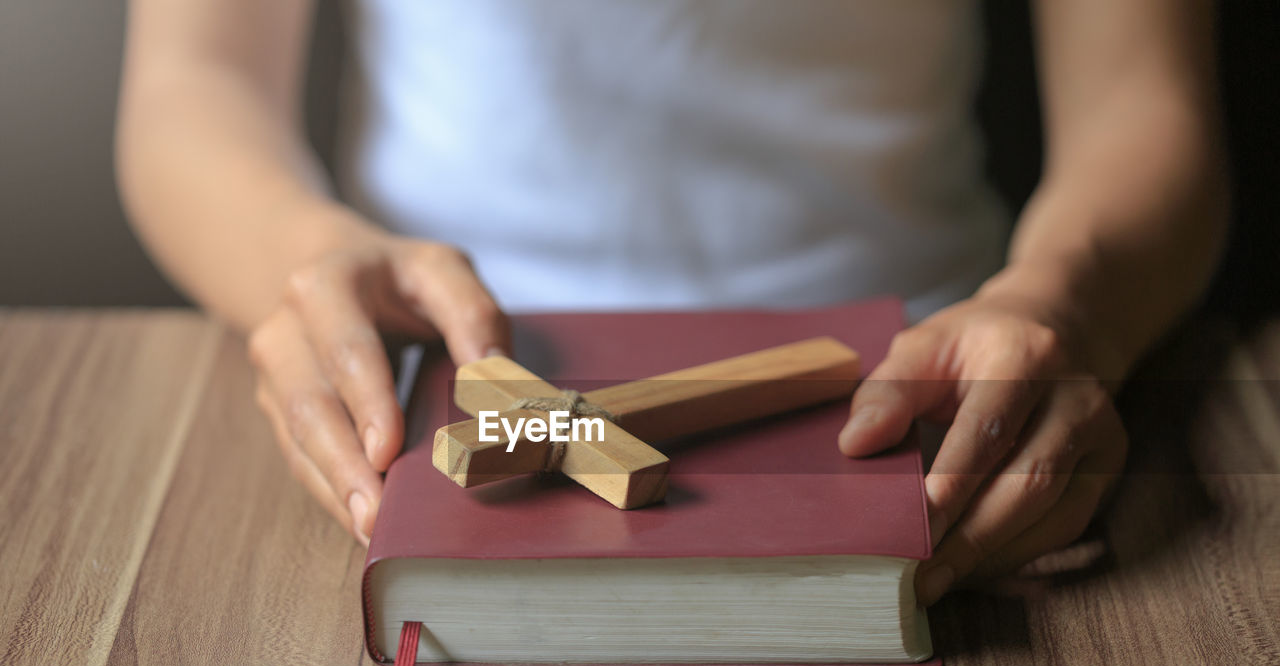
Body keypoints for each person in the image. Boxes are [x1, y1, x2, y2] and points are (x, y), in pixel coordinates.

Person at [116, 1, 1228, 605]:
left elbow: (1143, 98)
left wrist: (1066, 306)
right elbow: (190, 86)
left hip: (930, 384)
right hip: (427, 369)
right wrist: (304, 257)